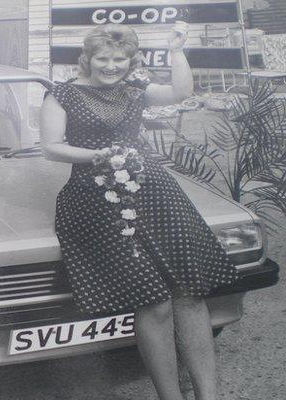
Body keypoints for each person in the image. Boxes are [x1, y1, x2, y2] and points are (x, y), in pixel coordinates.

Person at [40, 23, 238, 400]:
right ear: (88, 57)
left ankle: (208, 397)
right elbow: (50, 146)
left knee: (190, 293)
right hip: (93, 197)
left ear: (130, 60)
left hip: (156, 192)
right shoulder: (63, 94)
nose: (111, 66)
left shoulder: (136, 89)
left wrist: (177, 52)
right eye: (103, 58)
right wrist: (99, 156)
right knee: (155, 301)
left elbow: (181, 91)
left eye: (120, 59)